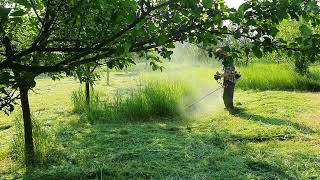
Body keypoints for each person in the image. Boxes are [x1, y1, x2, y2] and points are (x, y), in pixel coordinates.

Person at [214, 47, 241, 112]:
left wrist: (219, 76)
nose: (220, 57)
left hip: (230, 81)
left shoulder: (228, 60)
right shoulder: (226, 60)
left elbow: (228, 72)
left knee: (227, 96)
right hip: (228, 81)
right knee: (227, 95)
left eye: (220, 54)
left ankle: (231, 109)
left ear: (223, 53)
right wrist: (220, 74)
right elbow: (227, 72)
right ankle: (229, 108)